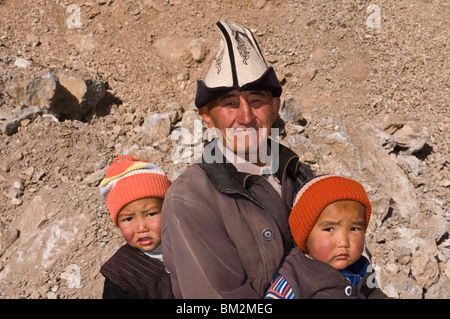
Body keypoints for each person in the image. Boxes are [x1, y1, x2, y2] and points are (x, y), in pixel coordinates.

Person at [161, 21, 313, 298]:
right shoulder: (191, 199)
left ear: (275, 107)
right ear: (207, 116)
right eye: (230, 103)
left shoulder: (299, 174)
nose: (245, 117)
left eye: (256, 100)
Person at [265, 175, 388, 299]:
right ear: (306, 236)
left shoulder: (361, 268)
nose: (343, 242)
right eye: (329, 229)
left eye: (354, 229)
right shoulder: (293, 279)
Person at [98, 155, 174, 299]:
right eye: (128, 219)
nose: (140, 227)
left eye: (150, 214)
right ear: (117, 223)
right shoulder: (121, 276)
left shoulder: (191, 242)